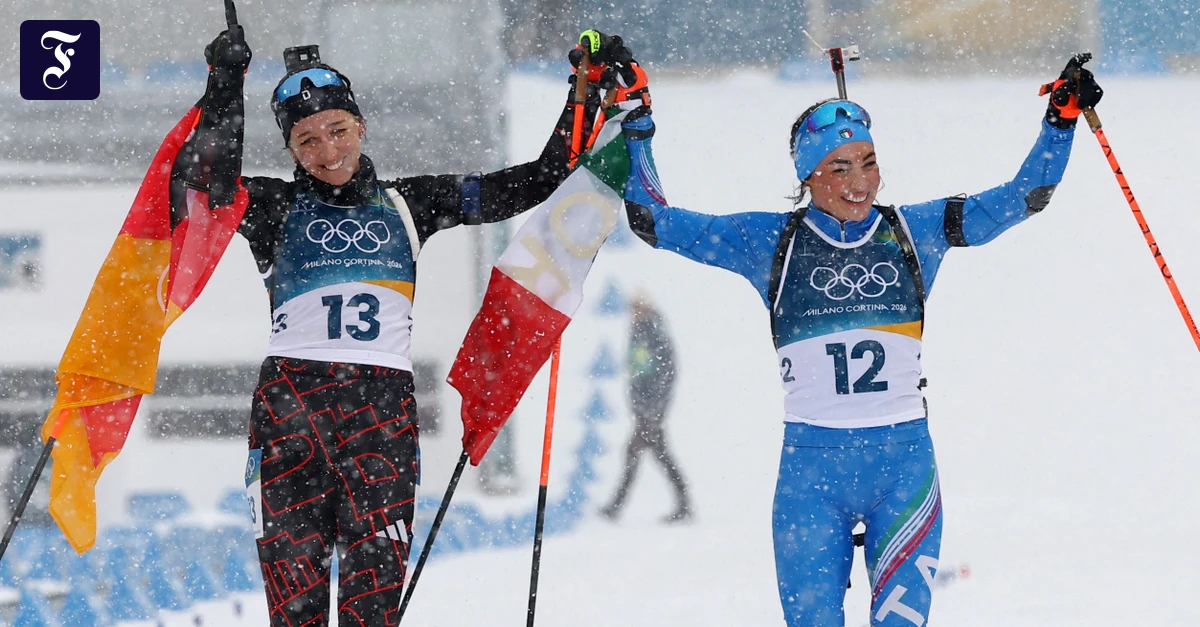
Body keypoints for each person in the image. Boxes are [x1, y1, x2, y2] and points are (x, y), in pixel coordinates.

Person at [619, 58, 1102, 625]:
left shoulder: (913, 231)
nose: (860, 182)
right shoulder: (769, 241)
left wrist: (1060, 118)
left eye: (869, 163)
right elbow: (649, 219)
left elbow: (1027, 195)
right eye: (839, 167)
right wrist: (636, 121)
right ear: (807, 177)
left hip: (903, 471)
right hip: (810, 477)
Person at [186, 28, 600, 627]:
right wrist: (224, 83)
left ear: (361, 128)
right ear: (290, 149)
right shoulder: (274, 207)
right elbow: (206, 178)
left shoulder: (410, 203)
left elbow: (537, 179)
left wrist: (581, 92)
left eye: (337, 131)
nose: (327, 152)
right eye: (306, 140)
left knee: (371, 612)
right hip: (289, 411)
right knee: (293, 613)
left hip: (379, 415)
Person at [600, 291, 691, 523]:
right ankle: (683, 503)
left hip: (652, 409)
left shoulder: (654, 333)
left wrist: (654, 408)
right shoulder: (639, 332)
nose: (634, 313)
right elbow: (637, 370)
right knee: (658, 454)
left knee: (635, 453)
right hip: (644, 408)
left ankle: (616, 506)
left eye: (637, 308)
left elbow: (666, 371)